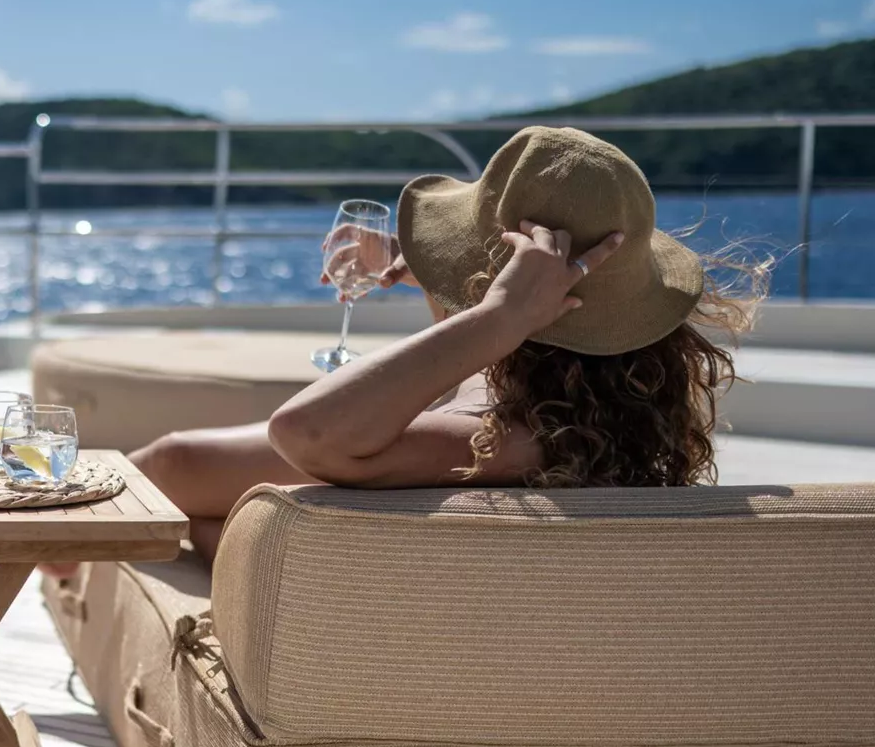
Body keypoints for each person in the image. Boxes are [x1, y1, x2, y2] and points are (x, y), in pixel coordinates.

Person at [126, 126, 767, 563]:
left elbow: (299, 432)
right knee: (202, 526)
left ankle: (75, 568)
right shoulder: (596, 412)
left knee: (155, 472)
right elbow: (476, 357)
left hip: (341, 601)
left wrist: (496, 315)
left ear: (516, 301)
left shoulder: (499, 439)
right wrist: (442, 278)